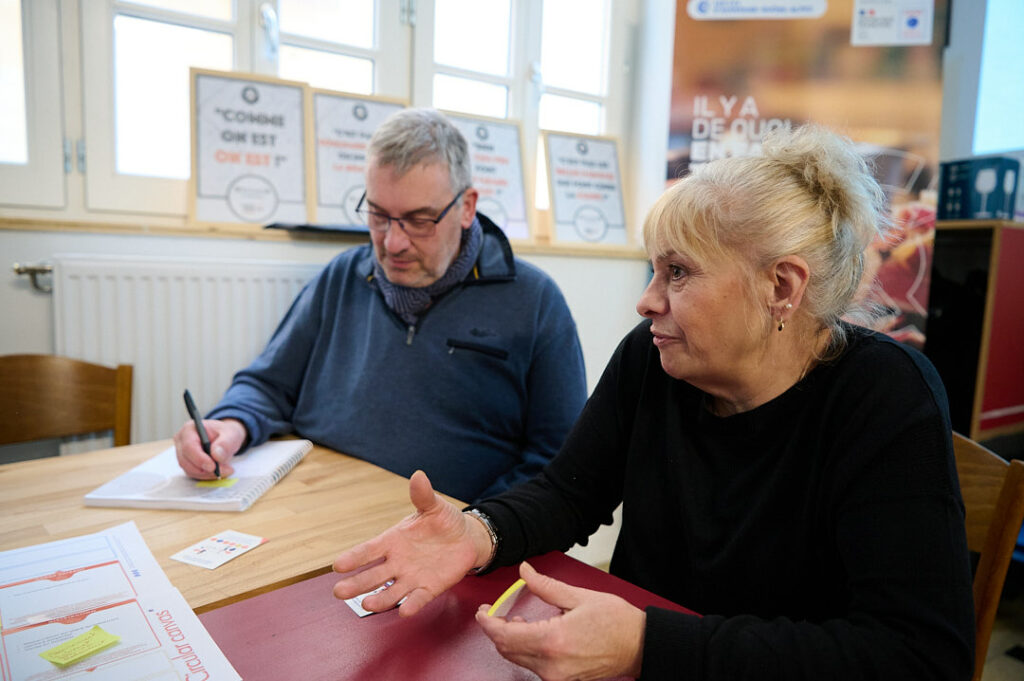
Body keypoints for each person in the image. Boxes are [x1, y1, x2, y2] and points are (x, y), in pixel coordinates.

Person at [331, 125, 976, 680]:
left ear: (781, 285)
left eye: (678, 273)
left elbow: (917, 657)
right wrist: (479, 530)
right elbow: (569, 492)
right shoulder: (656, 356)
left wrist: (648, 646)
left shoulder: (886, 396)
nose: (647, 301)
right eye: (653, 271)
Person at [173, 108, 587, 503]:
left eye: (420, 220)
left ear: (466, 207)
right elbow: (267, 385)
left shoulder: (534, 302)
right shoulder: (342, 276)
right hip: (314, 505)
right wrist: (230, 423)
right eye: (377, 215)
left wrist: (479, 528)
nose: (392, 243)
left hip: (452, 534)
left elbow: (560, 464)